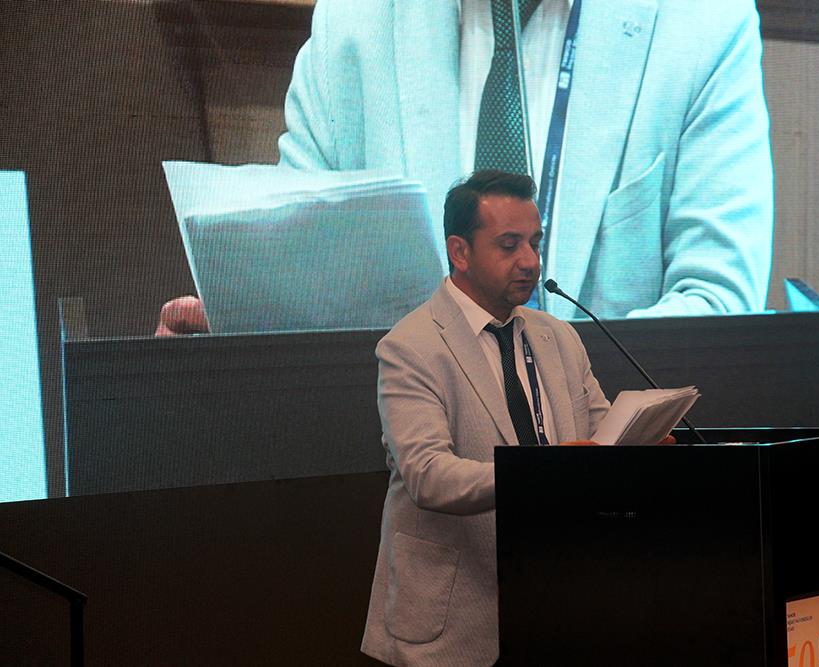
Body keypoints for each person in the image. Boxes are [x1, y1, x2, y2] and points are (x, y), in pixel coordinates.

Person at [157, 0, 773, 335]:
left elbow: (717, 303)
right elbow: (302, 294)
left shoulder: (705, 25)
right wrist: (236, 336)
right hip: (400, 489)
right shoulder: (349, 25)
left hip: (613, 493)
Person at [362, 170, 609, 666]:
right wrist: (541, 472)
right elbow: (428, 475)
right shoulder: (410, 347)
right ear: (460, 252)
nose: (530, 261)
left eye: (535, 242)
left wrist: (642, 442)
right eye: (509, 245)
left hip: (559, 606)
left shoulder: (559, 336)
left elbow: (602, 434)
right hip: (454, 624)